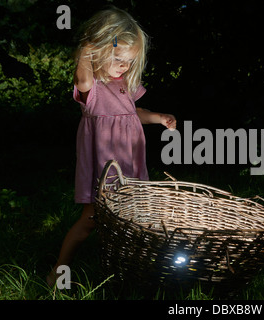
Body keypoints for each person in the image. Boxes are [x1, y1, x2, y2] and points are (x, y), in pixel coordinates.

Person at [47, 6, 176, 287]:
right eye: (118, 58)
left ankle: (129, 270)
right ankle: (59, 270)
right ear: (97, 51)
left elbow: (132, 113)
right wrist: (87, 46)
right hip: (103, 168)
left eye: (129, 61)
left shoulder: (125, 83)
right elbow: (81, 78)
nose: (124, 66)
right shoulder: (91, 87)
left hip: (129, 163)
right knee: (91, 220)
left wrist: (157, 118)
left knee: (133, 218)